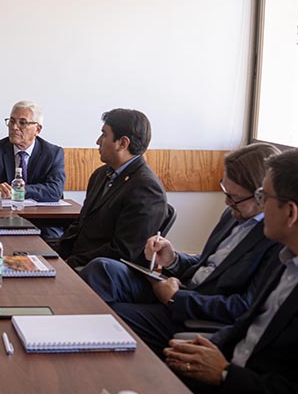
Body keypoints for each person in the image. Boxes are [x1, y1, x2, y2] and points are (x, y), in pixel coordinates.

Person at [80, 143, 283, 355]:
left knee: (109, 316)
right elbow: (208, 264)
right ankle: (65, 334)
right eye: (225, 191)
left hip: (196, 311)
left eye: (234, 197)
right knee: (102, 269)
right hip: (182, 286)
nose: (226, 202)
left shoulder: (275, 238)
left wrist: (176, 299)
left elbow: (243, 307)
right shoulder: (233, 214)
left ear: (261, 196)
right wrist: (173, 259)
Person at [164, 149, 298, 393]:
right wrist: (209, 347)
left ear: (290, 213)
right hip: (227, 359)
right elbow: (248, 324)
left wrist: (224, 373)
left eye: (264, 196)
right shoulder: (286, 260)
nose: (260, 205)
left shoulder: (274, 251)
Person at [56, 108, 167, 268]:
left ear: (123, 143)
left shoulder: (146, 189)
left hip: (102, 270)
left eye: (104, 134)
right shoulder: (101, 174)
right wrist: (54, 254)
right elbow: (80, 226)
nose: (98, 141)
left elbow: (122, 251)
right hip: (77, 260)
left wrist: (69, 264)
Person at [0, 100, 65, 202]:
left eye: (22, 123)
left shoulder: (53, 154)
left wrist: (18, 190)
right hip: (4, 212)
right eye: (12, 121)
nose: (14, 127)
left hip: (40, 212)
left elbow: (55, 191)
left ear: (38, 129)